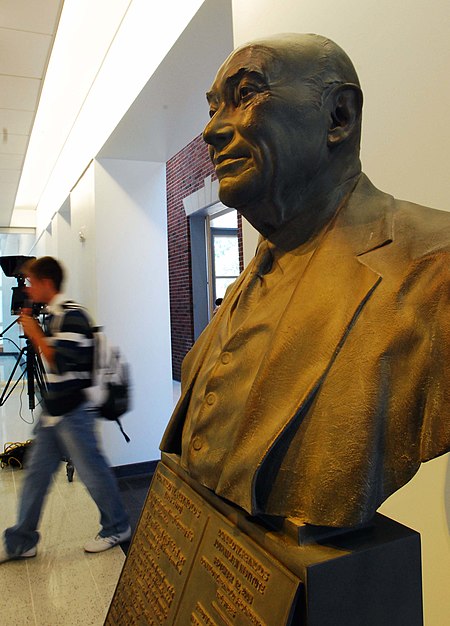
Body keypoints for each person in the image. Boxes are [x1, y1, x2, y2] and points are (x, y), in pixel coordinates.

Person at [160, 33, 450, 527]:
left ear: (339, 116)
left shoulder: (433, 266)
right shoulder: (252, 277)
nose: (211, 131)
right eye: (212, 109)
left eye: (247, 93)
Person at [0, 256, 130, 562]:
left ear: (47, 284)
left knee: (92, 471)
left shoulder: (72, 316)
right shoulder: (55, 317)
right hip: (54, 414)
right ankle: (21, 541)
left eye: (31, 283)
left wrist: (34, 333)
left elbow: (62, 363)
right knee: (36, 476)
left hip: (74, 413)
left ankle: (117, 526)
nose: (28, 290)